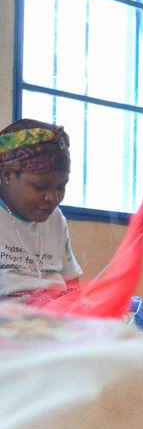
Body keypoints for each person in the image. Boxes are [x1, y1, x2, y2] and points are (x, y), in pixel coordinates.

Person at [0, 119, 82, 305]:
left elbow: (71, 284)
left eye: (61, 187)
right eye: (40, 187)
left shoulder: (54, 217)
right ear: (7, 175)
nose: (53, 198)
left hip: (53, 322)